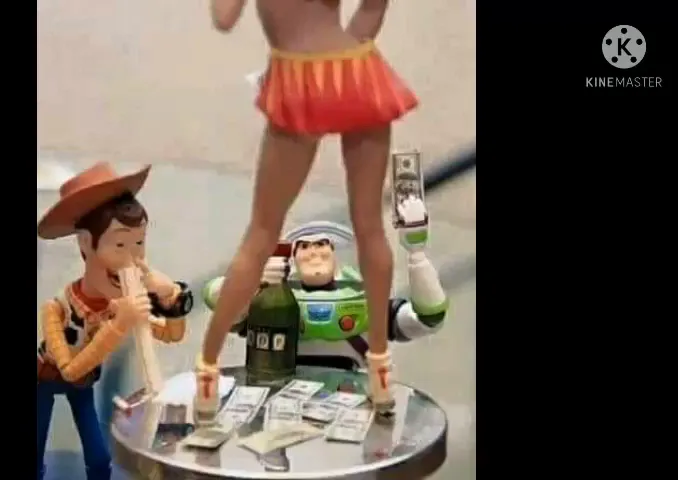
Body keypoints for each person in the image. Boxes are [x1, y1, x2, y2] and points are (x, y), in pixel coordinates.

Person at [196, 0, 419, 421]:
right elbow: (374, 5)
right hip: (356, 66)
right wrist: (349, 49)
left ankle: (207, 368)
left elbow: (223, 19)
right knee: (369, 225)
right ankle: (380, 367)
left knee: (262, 231)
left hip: (299, 77)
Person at [36, 162, 194, 480]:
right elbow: (69, 369)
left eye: (139, 244)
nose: (132, 259)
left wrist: (172, 298)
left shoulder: (119, 304)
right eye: (120, 245)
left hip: (84, 384)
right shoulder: (56, 309)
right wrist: (119, 323)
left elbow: (170, 334)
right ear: (85, 243)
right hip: (44, 377)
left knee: (99, 458)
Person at [202, 198, 447, 376]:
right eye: (304, 247)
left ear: (334, 253)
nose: (313, 253)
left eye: (321, 245)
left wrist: (416, 254)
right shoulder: (271, 303)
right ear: (293, 257)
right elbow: (217, 299)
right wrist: (253, 282)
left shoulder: (365, 301)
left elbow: (428, 319)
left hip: (350, 402)